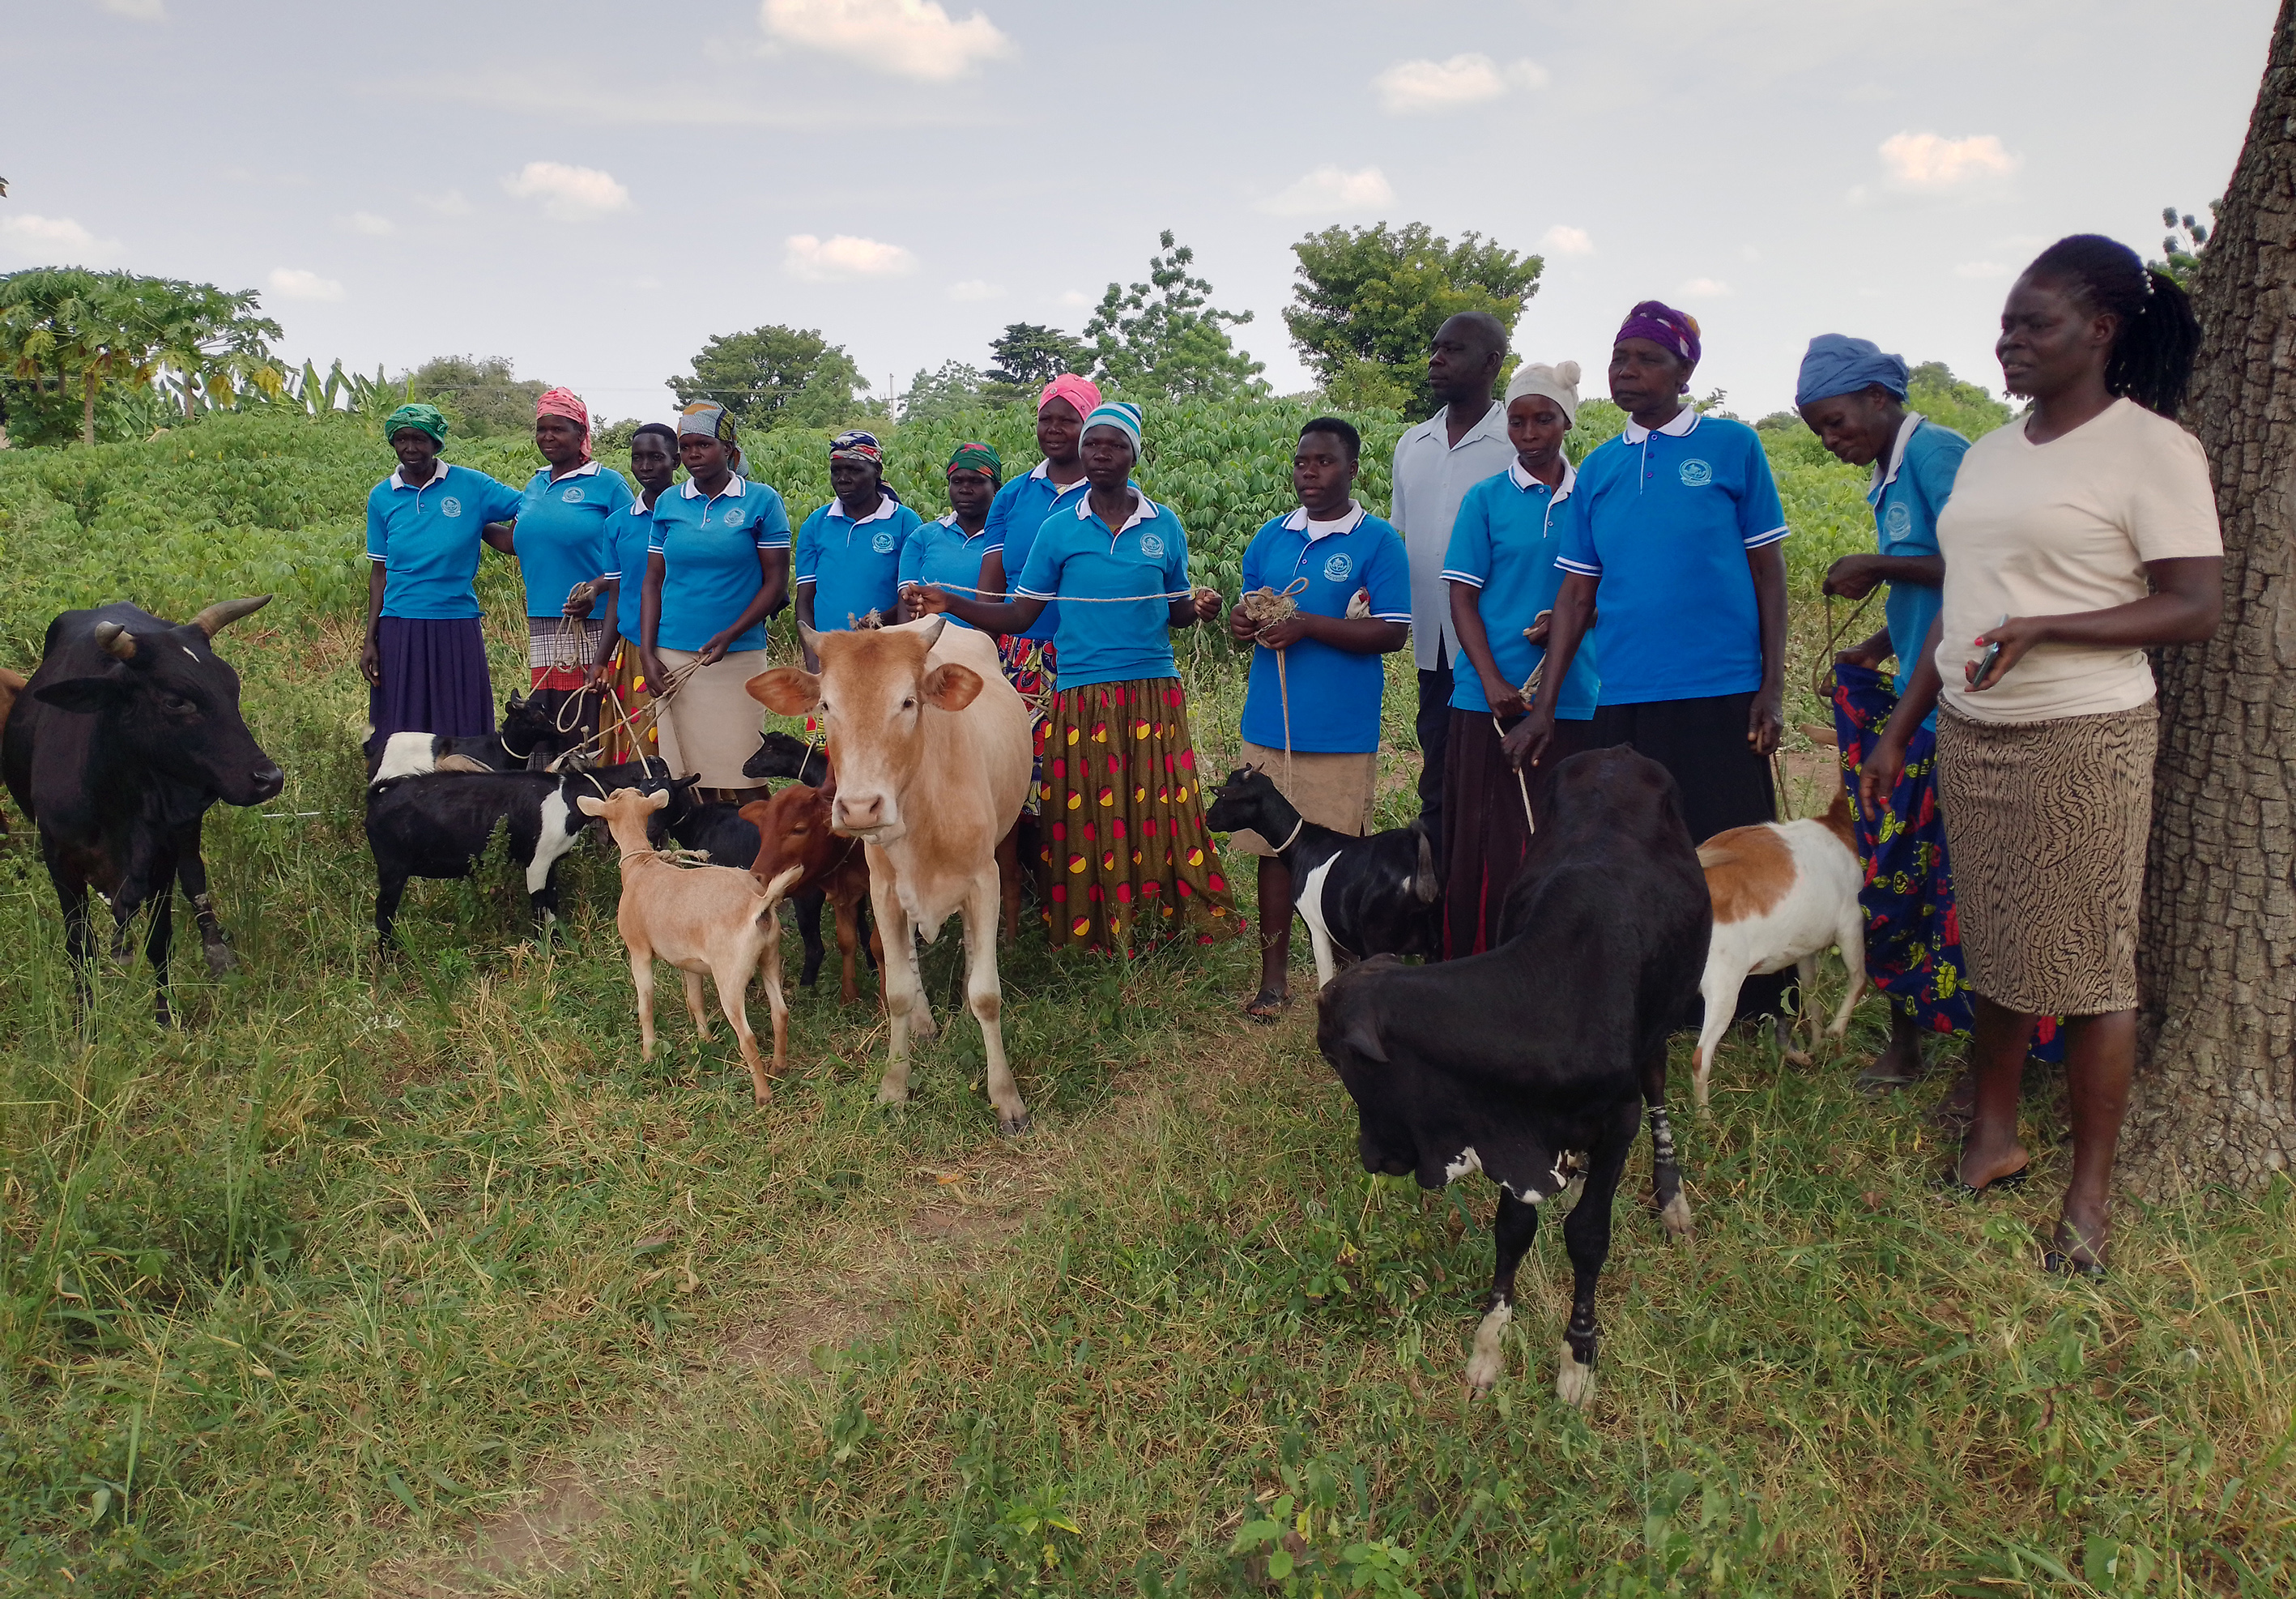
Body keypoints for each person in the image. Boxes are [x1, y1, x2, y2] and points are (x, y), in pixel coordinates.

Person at [1861, 236, 2220, 1277]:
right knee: (2001, 942)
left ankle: (2090, 1197)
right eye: (2007, 322)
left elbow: (2195, 604)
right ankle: (1994, 1134)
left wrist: (2054, 626)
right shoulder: (1992, 451)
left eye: (2034, 323)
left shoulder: (2151, 449)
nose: (2008, 340)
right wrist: (1898, 728)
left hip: (2086, 736)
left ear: (2101, 330)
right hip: (1974, 736)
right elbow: (1962, 611)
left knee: (2095, 965)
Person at [1507, 301, 1793, 1019]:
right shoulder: (1599, 470)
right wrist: (1543, 709)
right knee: (1638, 850)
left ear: (1684, 370)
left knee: (1730, 847)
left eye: (1646, 358)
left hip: (1722, 688)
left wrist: (1771, 688)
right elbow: (1575, 595)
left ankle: (1754, 1000)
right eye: (1619, 357)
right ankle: (1658, 998)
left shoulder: (1732, 449)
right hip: (1627, 691)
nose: (1626, 371)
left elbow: (1768, 573)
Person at [915, 400, 1238, 954]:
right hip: (1082, 689)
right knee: (1090, 810)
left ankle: (1168, 920)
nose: (1100, 454)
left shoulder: (1163, 526)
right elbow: (1021, 615)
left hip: (1152, 688)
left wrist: (1198, 607)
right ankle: (1098, 929)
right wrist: (953, 603)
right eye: (1092, 444)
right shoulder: (1060, 529)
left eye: (1113, 444)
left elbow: (1175, 608)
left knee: (1162, 803)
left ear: (1133, 454)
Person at [1796, 335, 1979, 1089]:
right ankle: (1907, 1039)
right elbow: (1923, 596)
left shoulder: (1936, 454)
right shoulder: (1889, 470)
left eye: (1838, 423)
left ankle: (1971, 1053)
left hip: (1952, 703)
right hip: (1915, 687)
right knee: (1893, 868)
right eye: (1820, 433)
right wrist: (1874, 646)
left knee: (1939, 880)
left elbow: (1978, 565)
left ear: (1879, 397)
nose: (1833, 441)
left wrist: (1875, 564)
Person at [1221, 416, 1412, 1017]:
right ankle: (1274, 981)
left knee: (1340, 861)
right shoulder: (1270, 538)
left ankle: (1353, 978)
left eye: (1325, 461)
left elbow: (1392, 631)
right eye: (1303, 461)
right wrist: (1242, 624)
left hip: (1338, 727)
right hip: (1269, 725)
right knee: (1272, 855)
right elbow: (1247, 611)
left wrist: (1307, 626)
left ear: (1352, 469)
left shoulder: (1377, 541)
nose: (1310, 471)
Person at [1439, 360, 1601, 958]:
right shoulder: (1485, 500)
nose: (1529, 433)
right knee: (1490, 839)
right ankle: (1481, 964)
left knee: (1563, 834)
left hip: (1573, 693)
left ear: (1566, 422)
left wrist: (1568, 621)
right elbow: (1461, 595)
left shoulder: (1593, 496)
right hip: (1488, 697)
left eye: (1543, 419)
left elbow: (1605, 587)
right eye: (1518, 420)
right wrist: (1490, 680)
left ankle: (1558, 963)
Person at [1389, 313, 1518, 857]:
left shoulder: (1519, 439)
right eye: (1434, 349)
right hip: (1434, 647)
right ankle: (1442, 907)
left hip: (1503, 647)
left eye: (1452, 350)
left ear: (1491, 363)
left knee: (1503, 776)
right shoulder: (1411, 444)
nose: (1435, 361)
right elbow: (1399, 537)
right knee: (1440, 771)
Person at [640, 402, 791, 802]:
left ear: (728, 448)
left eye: (702, 445)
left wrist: (731, 633)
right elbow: (653, 581)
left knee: (746, 767)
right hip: (674, 654)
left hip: (737, 654)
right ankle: (704, 852)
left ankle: (758, 854)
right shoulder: (669, 503)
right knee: (685, 770)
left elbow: (776, 582)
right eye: (685, 447)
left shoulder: (761, 501)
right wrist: (648, 652)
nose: (692, 456)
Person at [359, 402, 523, 762]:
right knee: (403, 726)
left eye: (419, 439)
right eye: (401, 440)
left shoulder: (471, 485)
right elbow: (379, 574)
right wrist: (370, 639)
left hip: (456, 620)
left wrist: (486, 529)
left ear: (437, 442)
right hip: (401, 623)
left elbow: (528, 508)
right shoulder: (382, 496)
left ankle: (466, 803)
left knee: (460, 722)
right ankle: (403, 798)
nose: (410, 448)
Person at [512, 387, 632, 743]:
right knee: (551, 718)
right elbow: (515, 542)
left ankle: (600, 792)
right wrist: (471, 523)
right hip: (545, 619)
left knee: (594, 713)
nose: (547, 437)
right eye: (541, 429)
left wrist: (595, 588)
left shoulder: (608, 484)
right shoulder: (535, 485)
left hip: (595, 621)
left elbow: (635, 553)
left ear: (581, 434)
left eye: (559, 428)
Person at [590, 421, 680, 765]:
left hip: (684, 641)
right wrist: (601, 660)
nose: (645, 466)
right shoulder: (618, 523)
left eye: (656, 457)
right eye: (638, 457)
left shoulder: (694, 516)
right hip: (634, 648)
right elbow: (618, 594)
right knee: (642, 741)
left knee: (690, 738)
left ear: (676, 461)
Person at [794, 430, 922, 653]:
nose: (843, 479)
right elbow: (805, 600)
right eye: (836, 471)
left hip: (885, 650)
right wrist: (814, 659)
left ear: (877, 472)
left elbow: (910, 596)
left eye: (854, 470)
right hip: (830, 653)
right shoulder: (816, 523)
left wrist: (878, 620)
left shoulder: (904, 521)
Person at [898, 442, 1003, 625]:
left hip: (987, 649)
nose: (965, 489)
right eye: (957, 481)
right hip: (929, 648)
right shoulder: (923, 537)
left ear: (996, 488)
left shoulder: (1007, 538)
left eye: (976, 481)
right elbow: (907, 608)